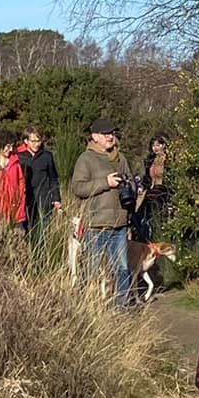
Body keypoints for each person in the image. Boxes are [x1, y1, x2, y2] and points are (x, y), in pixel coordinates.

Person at [68, 121, 139, 305]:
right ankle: (84, 306)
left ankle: (122, 309)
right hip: (96, 225)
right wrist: (105, 183)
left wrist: (128, 185)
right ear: (95, 136)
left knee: (122, 268)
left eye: (112, 133)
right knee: (90, 269)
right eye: (105, 133)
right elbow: (78, 188)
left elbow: (132, 183)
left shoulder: (120, 158)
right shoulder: (86, 159)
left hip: (119, 224)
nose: (110, 137)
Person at [17, 126, 63, 239]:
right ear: (26, 141)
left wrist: (56, 198)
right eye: (33, 141)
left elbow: (53, 178)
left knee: (42, 235)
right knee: (24, 235)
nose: (36, 144)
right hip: (25, 202)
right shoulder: (19, 157)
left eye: (39, 141)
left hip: (44, 201)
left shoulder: (47, 156)